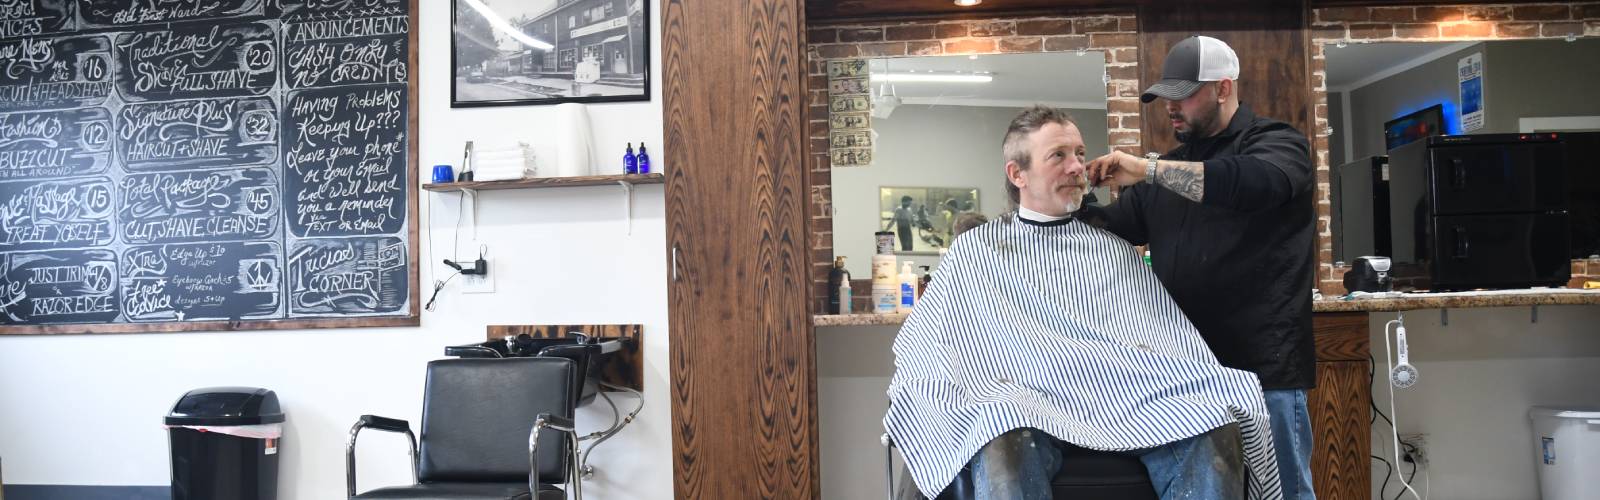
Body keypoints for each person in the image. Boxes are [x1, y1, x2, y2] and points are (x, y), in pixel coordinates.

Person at [885, 105, 1283, 500]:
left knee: (1213, 419)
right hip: (1025, 400)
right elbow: (929, 346)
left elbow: (1166, 342)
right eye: (1058, 155)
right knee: (998, 421)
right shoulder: (977, 249)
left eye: (1078, 153)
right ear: (1016, 173)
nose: (1076, 166)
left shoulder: (1114, 250)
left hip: (1129, 398)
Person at [1081, 35, 1317, 499]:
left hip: (1262, 371)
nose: (1170, 107)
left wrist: (1148, 170)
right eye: (1165, 96)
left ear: (1223, 88)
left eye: (1184, 94)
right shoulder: (1169, 167)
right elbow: (1108, 229)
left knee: (1283, 493)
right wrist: (1073, 192)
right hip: (1187, 378)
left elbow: (1247, 183)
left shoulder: (1278, 144)